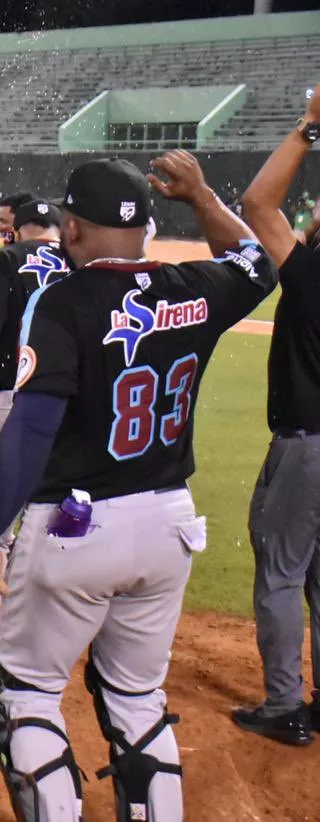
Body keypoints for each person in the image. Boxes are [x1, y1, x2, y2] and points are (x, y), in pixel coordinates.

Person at [0, 154, 277, 821]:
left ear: (71, 229)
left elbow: (33, 425)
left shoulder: (64, 299)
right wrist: (199, 197)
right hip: (168, 523)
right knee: (137, 697)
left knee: (23, 689)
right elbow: (259, 258)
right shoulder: (196, 286)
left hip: (74, 529)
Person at [234, 87, 320, 746]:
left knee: (282, 571)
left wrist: (309, 128)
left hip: (306, 446)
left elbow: (258, 205)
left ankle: (286, 705)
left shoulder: (313, 274)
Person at [0, 199, 69, 670]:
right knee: (61, 523)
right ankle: (52, 633)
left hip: (16, 401)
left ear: (20, 227)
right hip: (71, 409)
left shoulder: (4, 260)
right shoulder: (78, 259)